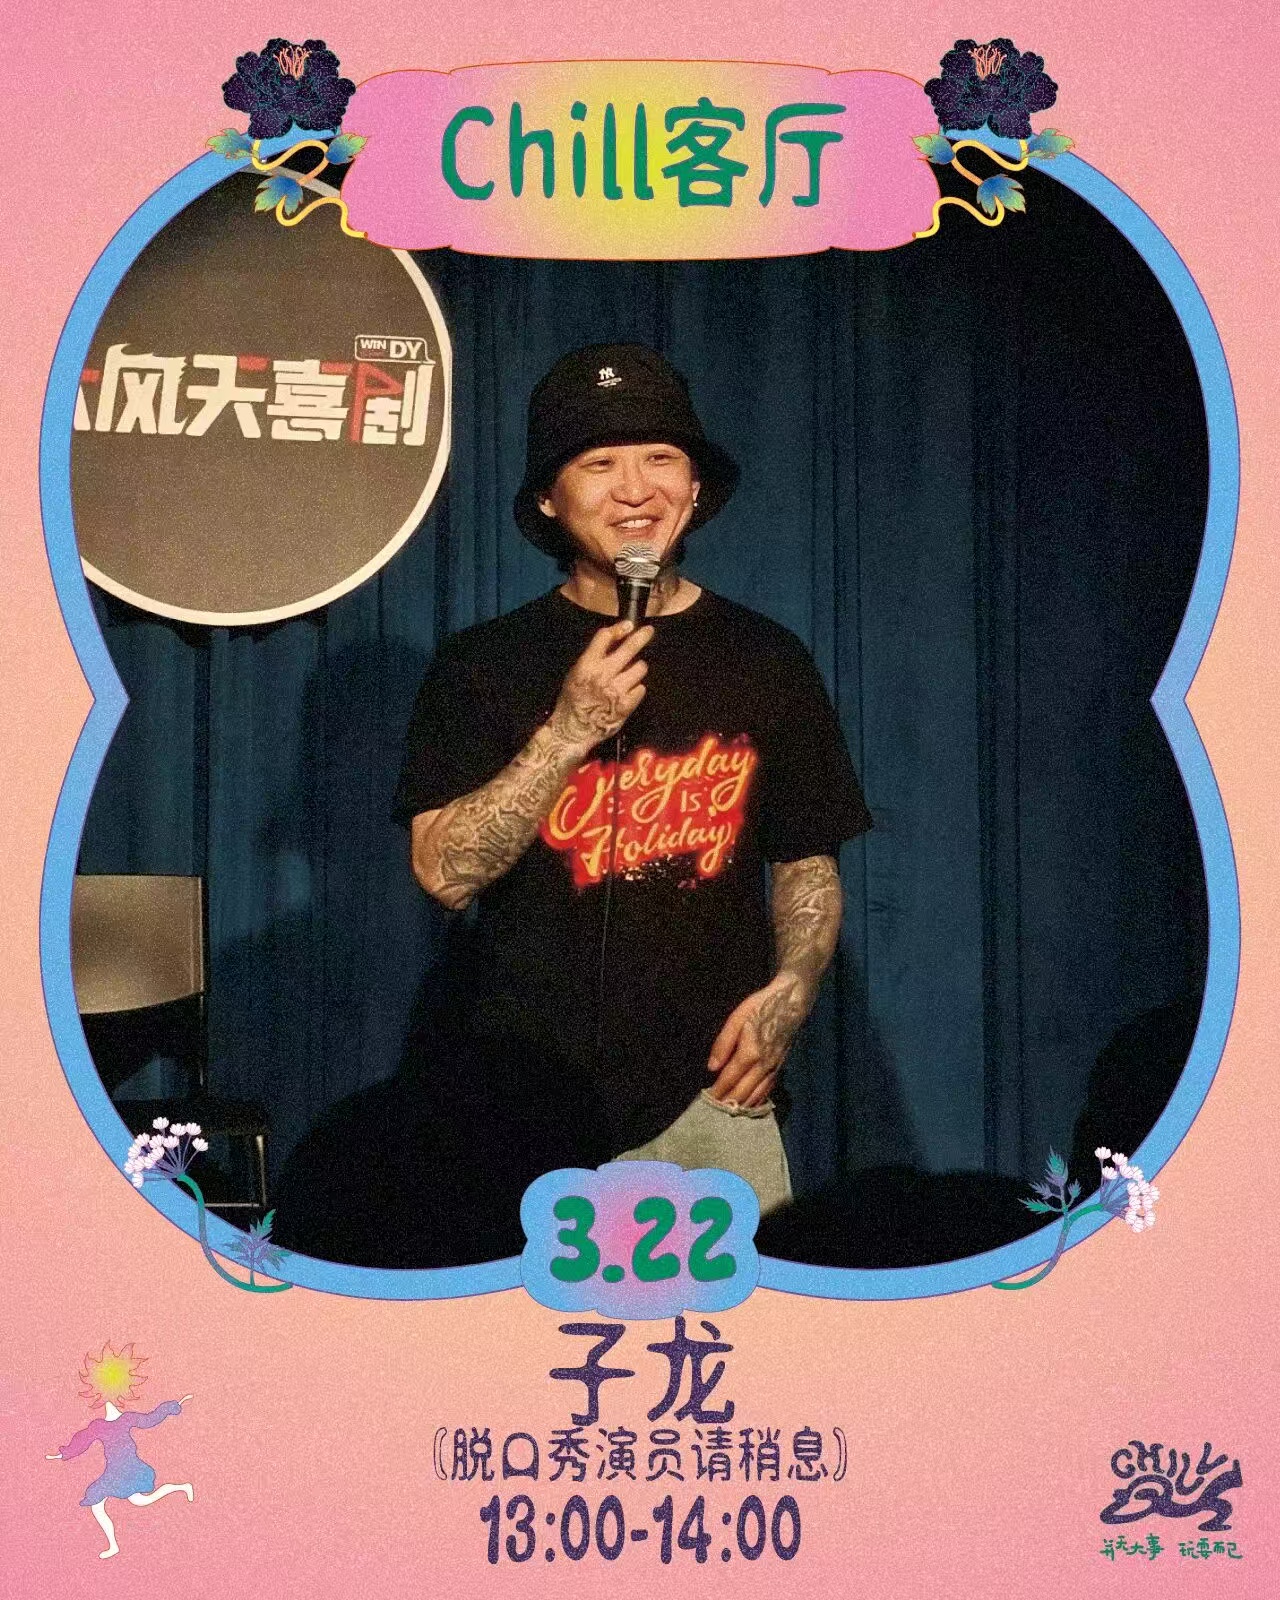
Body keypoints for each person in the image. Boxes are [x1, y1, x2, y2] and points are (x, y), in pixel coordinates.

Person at [386, 341, 873, 1255]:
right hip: (517, 1101)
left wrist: (793, 989)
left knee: (739, 1327)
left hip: (714, 1095)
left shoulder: (767, 659)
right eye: (599, 464)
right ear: (547, 498)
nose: (635, 490)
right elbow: (445, 873)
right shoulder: (483, 665)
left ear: (696, 487)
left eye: (661, 458)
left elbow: (806, 859)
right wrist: (569, 729)